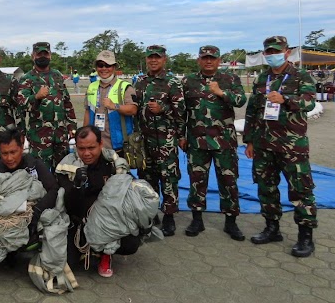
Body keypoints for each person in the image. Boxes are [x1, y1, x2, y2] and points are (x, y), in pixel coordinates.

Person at [244, 36, 317, 258]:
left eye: (276, 51)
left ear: (286, 52)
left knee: (301, 190)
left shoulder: (300, 75)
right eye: (268, 52)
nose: (272, 55)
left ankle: (305, 236)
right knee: (266, 187)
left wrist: (285, 99)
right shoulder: (261, 79)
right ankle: (272, 228)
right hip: (264, 144)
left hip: (291, 145)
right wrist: (249, 140)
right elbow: (252, 111)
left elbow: (310, 102)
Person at [180, 45, 247, 240]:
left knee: (228, 181)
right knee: (196, 181)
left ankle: (231, 222)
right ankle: (197, 219)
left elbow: (241, 100)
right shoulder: (188, 81)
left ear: (219, 60)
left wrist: (221, 92)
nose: (208, 61)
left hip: (224, 142)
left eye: (212, 58)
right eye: (205, 58)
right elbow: (181, 110)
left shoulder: (230, 79)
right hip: (197, 141)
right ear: (199, 60)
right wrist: (181, 135)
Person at [56, 125, 141, 278]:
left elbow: (131, 191)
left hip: (109, 221)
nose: (86, 153)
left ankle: (106, 253)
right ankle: (87, 247)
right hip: (78, 220)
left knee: (131, 243)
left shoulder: (114, 164)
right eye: (81, 148)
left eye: (91, 148)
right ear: (76, 147)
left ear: (101, 145)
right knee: (69, 263)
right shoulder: (67, 166)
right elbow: (68, 205)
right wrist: (76, 186)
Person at [135, 45, 185, 237]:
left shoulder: (172, 82)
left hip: (166, 140)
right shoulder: (140, 82)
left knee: (169, 178)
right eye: (150, 57)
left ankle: (170, 216)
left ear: (164, 59)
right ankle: (151, 213)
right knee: (147, 177)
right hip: (145, 139)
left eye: (157, 57)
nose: (153, 60)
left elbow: (182, 111)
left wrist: (163, 108)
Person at [0, 128, 60, 250]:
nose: (9, 158)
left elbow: (54, 190)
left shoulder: (34, 166)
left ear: (21, 148)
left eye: (13, 152)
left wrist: (36, 212)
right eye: (5, 153)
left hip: (33, 216)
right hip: (3, 222)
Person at [17, 42, 77, 169]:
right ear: (33, 56)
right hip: (39, 137)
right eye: (39, 54)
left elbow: (66, 102)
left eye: (46, 54)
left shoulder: (58, 75)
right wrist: (36, 97)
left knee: (63, 171)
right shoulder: (27, 78)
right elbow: (21, 105)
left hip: (60, 135)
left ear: (50, 56)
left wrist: (72, 125)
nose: (42, 57)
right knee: (40, 173)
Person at [83, 50, 138, 154]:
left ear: (114, 67)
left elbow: (133, 110)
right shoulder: (91, 87)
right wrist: (83, 136)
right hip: (94, 146)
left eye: (108, 65)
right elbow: (87, 112)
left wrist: (115, 106)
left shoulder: (125, 87)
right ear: (96, 68)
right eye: (100, 65)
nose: (104, 68)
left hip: (118, 147)